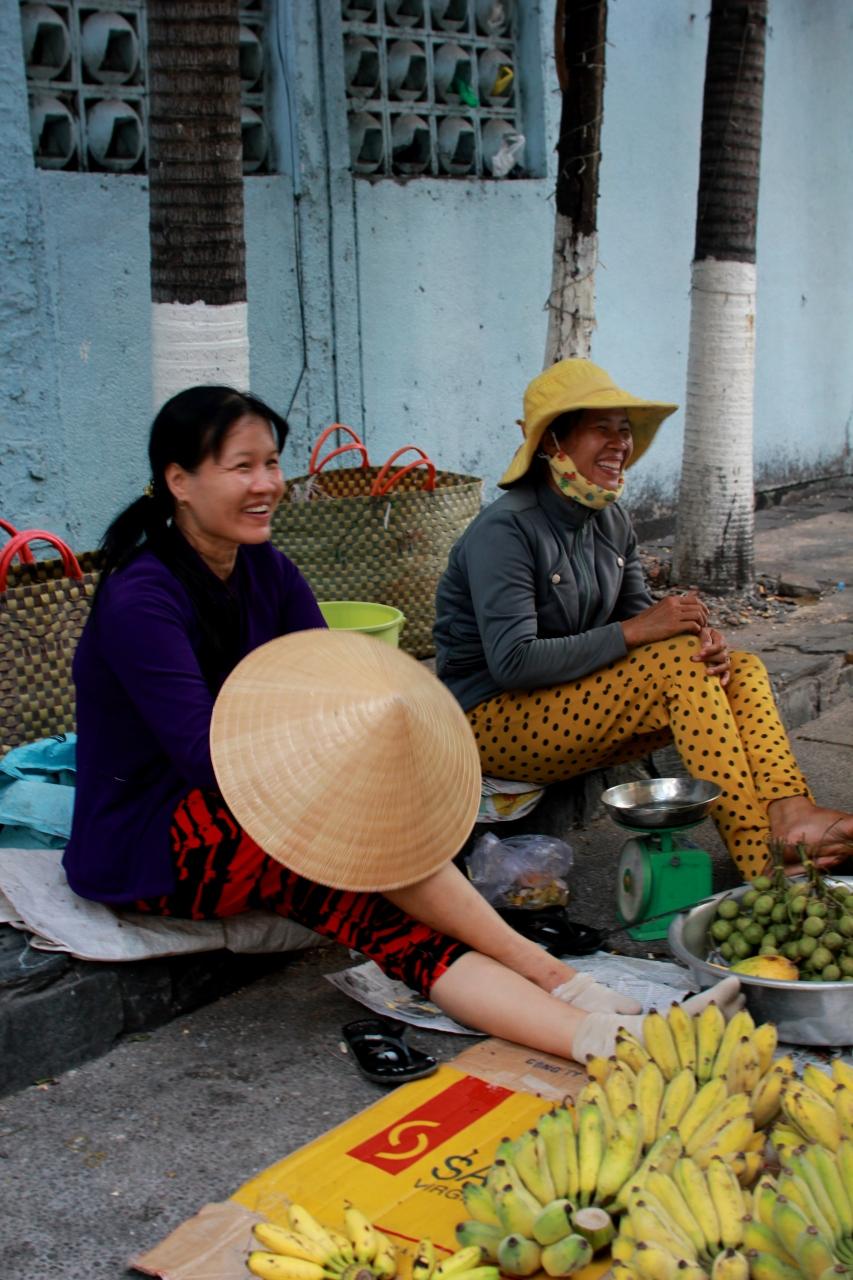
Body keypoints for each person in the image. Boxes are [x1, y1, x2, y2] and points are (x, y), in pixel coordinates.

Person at [63, 383, 741, 1066]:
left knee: (385, 838)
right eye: (242, 467)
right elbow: (207, 759)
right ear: (179, 481)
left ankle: (570, 995)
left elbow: (333, 687)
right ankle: (590, 1021)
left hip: (257, 796)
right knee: (362, 888)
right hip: (156, 838)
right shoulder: (141, 599)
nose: (267, 484)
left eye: (271, 463)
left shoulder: (267, 569)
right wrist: (341, 796)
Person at [434, 358, 853, 879]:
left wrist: (701, 640)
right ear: (551, 442)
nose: (619, 444)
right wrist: (640, 631)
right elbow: (514, 663)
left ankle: (790, 812)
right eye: (601, 429)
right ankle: (761, 859)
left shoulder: (610, 518)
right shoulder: (507, 530)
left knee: (739, 669)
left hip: (571, 700)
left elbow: (646, 626)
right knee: (678, 666)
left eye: (625, 431)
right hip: (488, 723)